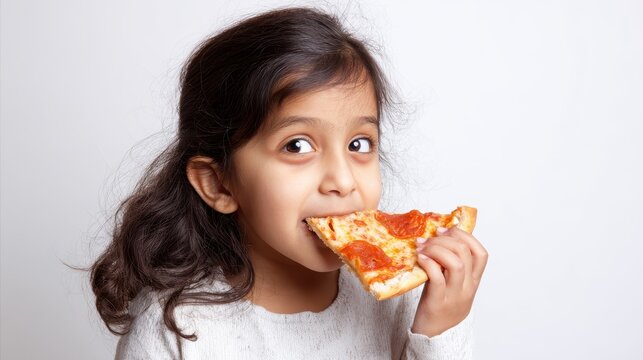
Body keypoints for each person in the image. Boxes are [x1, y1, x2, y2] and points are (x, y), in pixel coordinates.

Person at [90, 7, 488, 359]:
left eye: (359, 143)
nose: (342, 180)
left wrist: (439, 332)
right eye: (297, 146)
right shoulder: (174, 327)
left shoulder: (407, 300)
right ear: (219, 185)